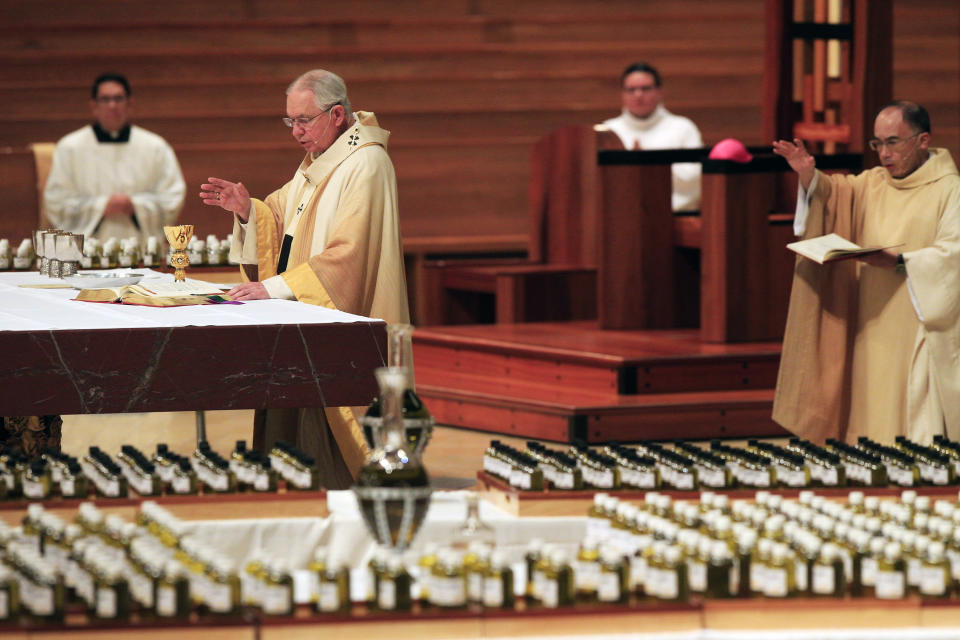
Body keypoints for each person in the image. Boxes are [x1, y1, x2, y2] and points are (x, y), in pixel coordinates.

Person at [199, 69, 409, 489]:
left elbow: (348, 255)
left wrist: (272, 288)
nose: (295, 132)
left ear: (335, 114)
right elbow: (282, 215)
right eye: (289, 121)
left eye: (303, 120)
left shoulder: (366, 163)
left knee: (329, 436)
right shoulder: (320, 158)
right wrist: (247, 211)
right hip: (301, 316)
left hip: (335, 317)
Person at [772, 101, 960, 445]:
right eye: (877, 144)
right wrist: (808, 175)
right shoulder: (873, 182)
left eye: (893, 142)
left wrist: (903, 261)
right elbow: (834, 195)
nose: (884, 154)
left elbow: (954, 255)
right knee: (869, 407)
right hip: (871, 319)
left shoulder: (950, 189)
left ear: (923, 140)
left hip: (918, 323)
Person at [44, 72, 185, 243]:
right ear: (94, 105)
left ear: (130, 104)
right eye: (105, 99)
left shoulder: (155, 146)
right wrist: (101, 207)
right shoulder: (70, 147)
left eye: (119, 99)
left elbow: (171, 197)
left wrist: (135, 206)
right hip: (88, 249)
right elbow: (56, 201)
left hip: (141, 248)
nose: (112, 105)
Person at [600, 62, 703, 212]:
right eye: (631, 90)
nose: (638, 95)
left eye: (645, 88)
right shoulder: (608, 131)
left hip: (676, 217)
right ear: (622, 94)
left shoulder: (683, 127)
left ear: (660, 91)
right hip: (619, 217)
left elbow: (695, 178)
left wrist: (649, 165)